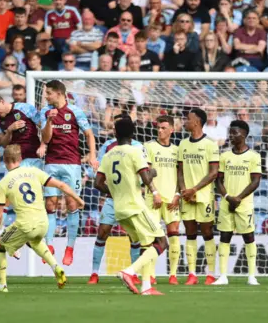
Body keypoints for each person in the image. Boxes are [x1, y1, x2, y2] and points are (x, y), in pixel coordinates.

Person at [0, 144, 83, 293]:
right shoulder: (34, 172)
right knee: (35, 241)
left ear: (4, 160)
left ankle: (2, 285)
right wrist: (79, 200)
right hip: (43, 223)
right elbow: (62, 185)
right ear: (20, 158)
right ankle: (56, 267)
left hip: (25, 224)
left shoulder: (3, 183)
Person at [94, 117, 167, 296]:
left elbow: (97, 183)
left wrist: (114, 192)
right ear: (133, 133)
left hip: (119, 209)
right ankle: (129, 271)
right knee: (162, 242)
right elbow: (145, 178)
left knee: (147, 244)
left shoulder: (108, 154)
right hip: (135, 206)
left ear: (115, 133)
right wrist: (153, 173)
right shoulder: (135, 151)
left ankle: (146, 287)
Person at [40, 80, 97, 266]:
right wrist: (49, 121)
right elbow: (45, 139)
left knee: (72, 204)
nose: (46, 96)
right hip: (51, 164)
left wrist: (93, 157)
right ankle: (48, 246)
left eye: (48, 93)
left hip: (72, 164)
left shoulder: (75, 112)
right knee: (50, 204)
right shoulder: (45, 112)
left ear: (59, 93)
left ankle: (70, 248)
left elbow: (89, 134)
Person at [172, 108, 219, 285]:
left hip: (204, 196)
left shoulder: (210, 144)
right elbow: (180, 171)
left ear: (197, 122)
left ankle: (211, 273)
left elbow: (214, 173)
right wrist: (185, 191)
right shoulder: (183, 144)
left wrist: (195, 190)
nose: (185, 121)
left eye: (188, 118)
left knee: (207, 232)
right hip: (187, 197)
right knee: (190, 233)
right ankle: (192, 274)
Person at [211, 120, 260, 286]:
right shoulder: (224, 156)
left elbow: (255, 181)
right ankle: (223, 275)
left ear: (244, 135)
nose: (231, 136)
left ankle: (252, 275)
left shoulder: (254, 156)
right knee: (225, 236)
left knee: (249, 237)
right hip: (226, 203)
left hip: (244, 204)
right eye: (230, 133)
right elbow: (219, 181)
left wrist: (238, 198)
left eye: (234, 133)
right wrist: (227, 198)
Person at [142, 115, 180, 284]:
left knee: (174, 235)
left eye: (164, 128)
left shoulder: (177, 150)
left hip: (172, 198)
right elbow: (146, 173)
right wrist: (155, 192)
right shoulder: (148, 147)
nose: (160, 130)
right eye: (158, 127)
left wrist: (178, 195)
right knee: (151, 237)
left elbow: (180, 174)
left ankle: (173, 275)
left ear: (172, 129)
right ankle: (150, 275)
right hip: (153, 198)